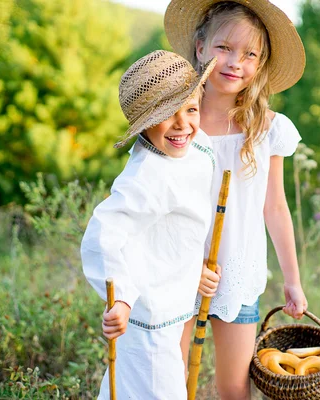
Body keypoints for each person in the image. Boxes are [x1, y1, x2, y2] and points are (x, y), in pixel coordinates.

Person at [165, 1, 309, 398]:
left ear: (260, 64)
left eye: (250, 54)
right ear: (199, 48)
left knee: (233, 386)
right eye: (224, 48)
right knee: (170, 381)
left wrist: (292, 281)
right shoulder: (176, 118)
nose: (235, 63)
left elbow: (275, 207)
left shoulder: (266, 128)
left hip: (237, 272)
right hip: (178, 268)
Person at [81, 49, 216, 400]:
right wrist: (121, 297)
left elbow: (171, 233)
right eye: (166, 115)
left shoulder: (193, 147)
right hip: (147, 316)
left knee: (129, 388)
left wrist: (192, 269)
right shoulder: (145, 176)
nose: (183, 124)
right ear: (144, 124)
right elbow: (102, 236)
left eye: (190, 109)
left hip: (168, 304)